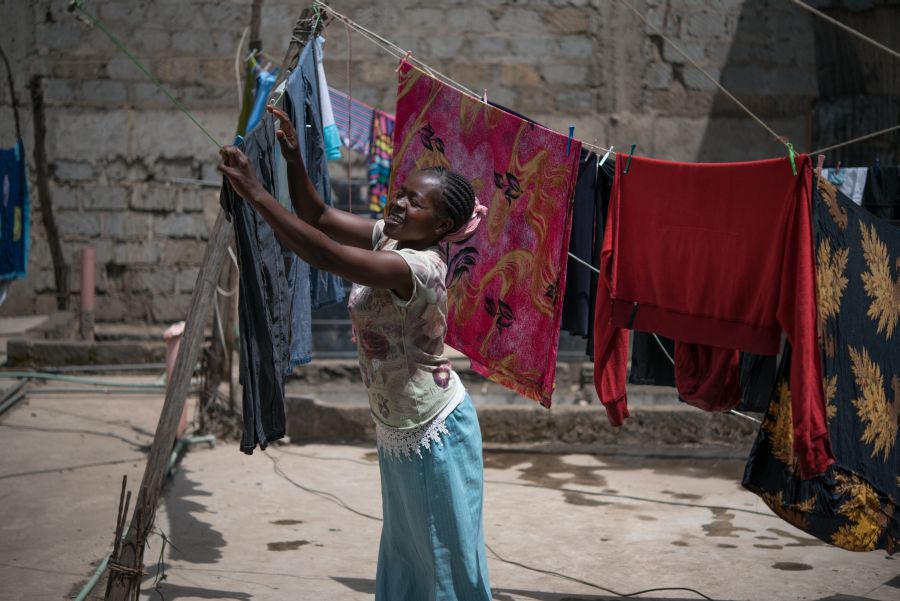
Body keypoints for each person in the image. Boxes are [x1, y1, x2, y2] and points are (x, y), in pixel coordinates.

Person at [218, 104, 492, 601]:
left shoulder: (419, 267)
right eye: (403, 193)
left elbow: (323, 252)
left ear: (441, 225)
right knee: (409, 549)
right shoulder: (390, 236)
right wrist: (294, 162)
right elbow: (318, 215)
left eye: (417, 203)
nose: (402, 204)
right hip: (398, 426)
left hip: (434, 430)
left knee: (442, 553)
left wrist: (256, 192)